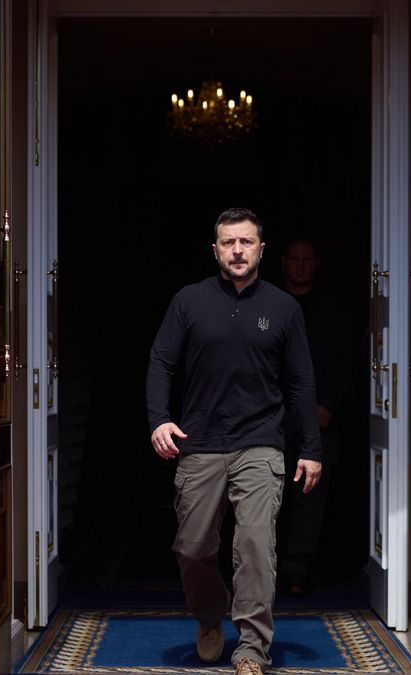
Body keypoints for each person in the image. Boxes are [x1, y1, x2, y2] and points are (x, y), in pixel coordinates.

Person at [147, 208, 323, 675]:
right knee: (192, 549)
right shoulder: (189, 301)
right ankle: (210, 615)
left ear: (262, 249)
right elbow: (161, 362)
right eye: (229, 243)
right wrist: (159, 420)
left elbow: (301, 382)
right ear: (215, 250)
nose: (238, 250)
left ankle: (251, 649)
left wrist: (311, 449)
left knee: (255, 546)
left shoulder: (283, 308)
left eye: (246, 242)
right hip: (200, 442)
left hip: (260, 442)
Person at [277, 237, 358, 594]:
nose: (300, 265)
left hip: (322, 417)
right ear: (283, 261)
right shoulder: (266, 303)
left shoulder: (334, 310)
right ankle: (262, 571)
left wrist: (330, 404)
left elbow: (349, 360)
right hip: (273, 418)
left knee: (311, 497)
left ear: (317, 263)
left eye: (307, 259)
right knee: (265, 495)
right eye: (294, 259)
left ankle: (297, 572)